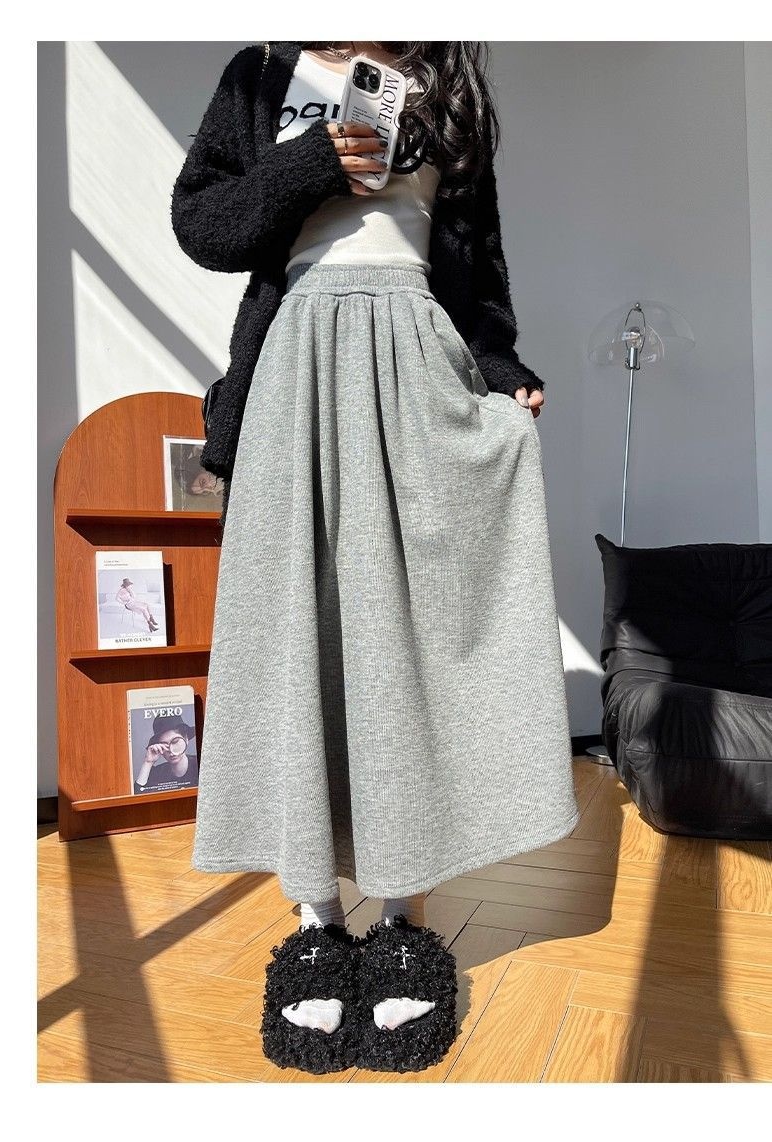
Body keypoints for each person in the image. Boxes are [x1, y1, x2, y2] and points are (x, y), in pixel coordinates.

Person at [171, 40, 580, 1075]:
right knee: (292, 638)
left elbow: (477, 265)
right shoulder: (262, 74)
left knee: (408, 640)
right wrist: (315, 164)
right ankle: (315, 924)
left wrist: (499, 367)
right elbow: (205, 227)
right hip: (293, 370)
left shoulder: (447, 81)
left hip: (416, 364)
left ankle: (403, 920)